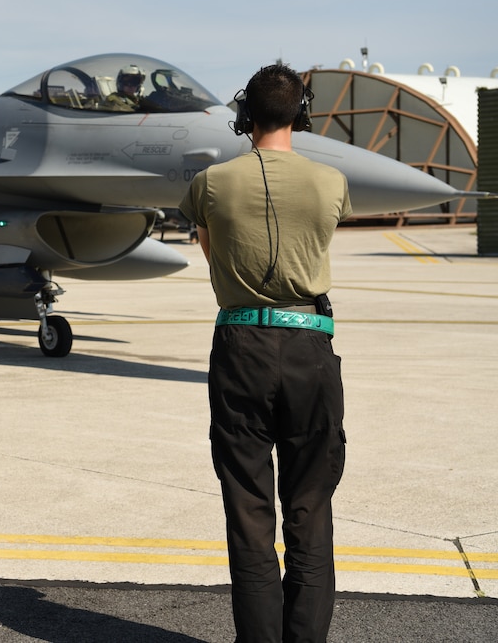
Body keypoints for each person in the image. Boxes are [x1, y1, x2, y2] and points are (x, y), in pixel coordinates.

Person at [177, 63, 352, 642]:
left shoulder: (209, 183)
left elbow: (212, 251)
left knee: (248, 512)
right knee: (309, 508)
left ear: (244, 114)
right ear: (302, 113)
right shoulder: (331, 182)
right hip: (309, 345)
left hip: (240, 345)